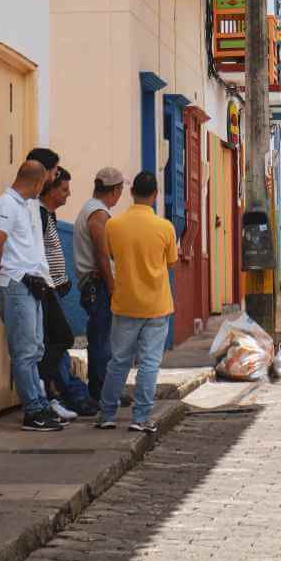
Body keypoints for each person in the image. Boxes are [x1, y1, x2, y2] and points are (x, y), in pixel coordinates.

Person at [96, 171, 177, 436]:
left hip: (125, 301)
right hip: (156, 304)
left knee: (118, 361)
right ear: (155, 195)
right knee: (149, 364)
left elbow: (111, 255)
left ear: (131, 193)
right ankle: (140, 417)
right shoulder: (165, 227)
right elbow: (171, 261)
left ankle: (106, 414)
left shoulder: (113, 225)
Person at [0, 159, 63, 432]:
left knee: (36, 348)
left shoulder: (23, 205)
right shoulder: (6, 205)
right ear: (37, 182)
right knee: (25, 351)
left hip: (30, 285)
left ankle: (39, 404)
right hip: (16, 284)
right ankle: (33, 411)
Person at [38, 167, 98, 419]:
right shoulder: (40, 216)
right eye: (63, 189)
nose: (68, 194)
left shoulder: (49, 216)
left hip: (56, 290)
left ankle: (66, 392)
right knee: (60, 340)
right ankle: (56, 389)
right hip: (46, 290)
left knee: (59, 345)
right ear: (50, 189)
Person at [74, 168, 125, 402]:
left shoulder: (92, 210)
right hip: (99, 285)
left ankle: (103, 392)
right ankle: (104, 393)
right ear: (115, 190)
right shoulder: (98, 214)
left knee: (101, 339)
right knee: (102, 341)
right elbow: (102, 255)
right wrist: (112, 286)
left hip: (96, 284)